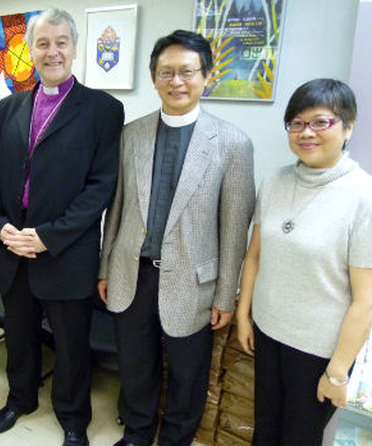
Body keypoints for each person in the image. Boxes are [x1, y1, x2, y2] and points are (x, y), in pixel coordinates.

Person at [98, 29, 255, 446]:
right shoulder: (132, 134)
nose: (176, 81)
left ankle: (175, 439)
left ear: (207, 77)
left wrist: (225, 295)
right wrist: (105, 265)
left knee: (187, 374)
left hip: (194, 282)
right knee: (135, 365)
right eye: (166, 72)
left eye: (187, 72)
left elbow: (234, 229)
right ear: (154, 78)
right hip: (132, 273)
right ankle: (136, 433)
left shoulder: (233, 144)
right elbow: (117, 207)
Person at [0, 7, 124, 446]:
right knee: (19, 337)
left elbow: (101, 187)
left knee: (71, 345)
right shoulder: (8, 107)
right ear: (29, 50)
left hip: (65, 251)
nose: (52, 51)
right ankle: (20, 399)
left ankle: (73, 418)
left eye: (61, 42)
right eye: (42, 43)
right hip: (12, 248)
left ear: (75, 49)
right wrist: (0, 226)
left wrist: (48, 236)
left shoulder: (103, 109)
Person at [236, 78, 372, 445]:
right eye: (297, 123)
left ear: (348, 126)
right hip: (268, 333)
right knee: (265, 431)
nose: (307, 133)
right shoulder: (275, 182)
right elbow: (255, 253)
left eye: (321, 122)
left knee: (299, 438)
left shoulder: (367, 199)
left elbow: (366, 300)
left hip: (319, 350)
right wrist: (244, 315)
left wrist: (337, 372)